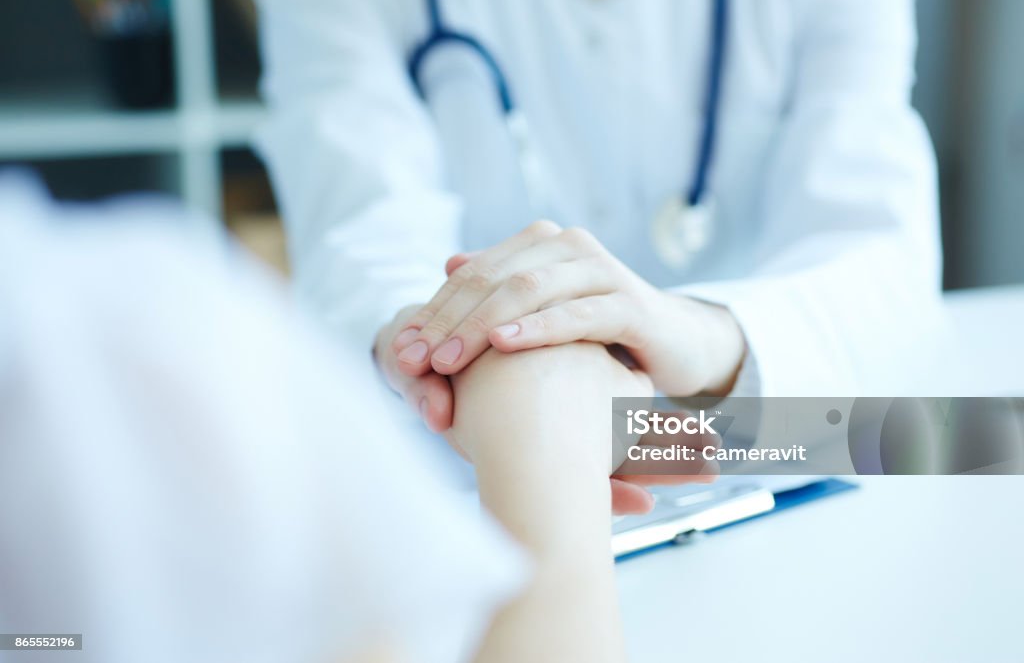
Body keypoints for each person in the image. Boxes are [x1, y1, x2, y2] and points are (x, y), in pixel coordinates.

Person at [253, 0, 945, 452]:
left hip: (762, 431)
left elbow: (881, 265)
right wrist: (433, 348)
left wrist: (702, 333)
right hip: (477, 432)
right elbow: (361, 226)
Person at [0, 173, 642, 662]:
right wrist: (548, 457)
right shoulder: (97, 336)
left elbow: (716, 438)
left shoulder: (110, 327)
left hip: (655, 429)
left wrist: (722, 346)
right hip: (561, 422)